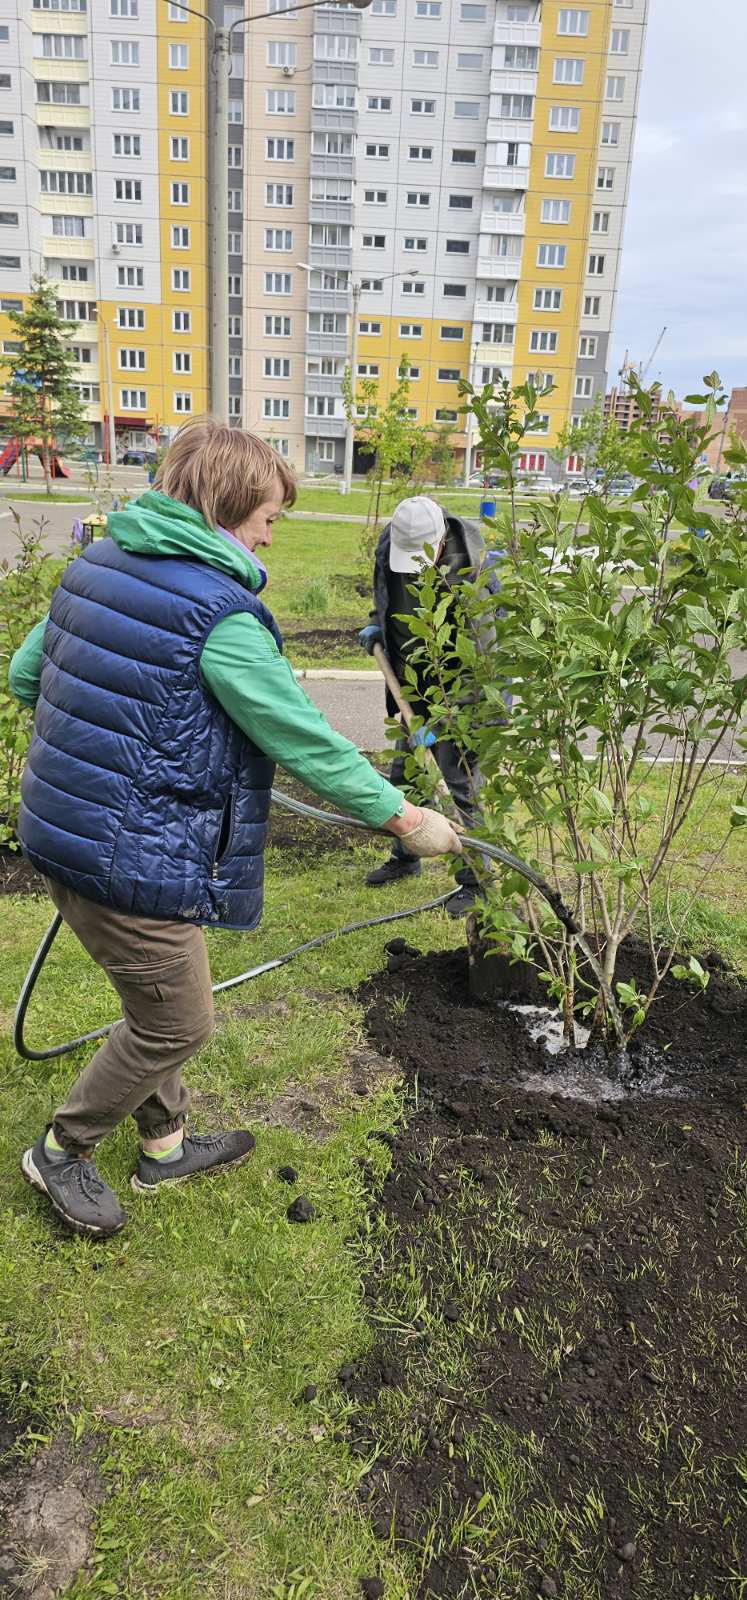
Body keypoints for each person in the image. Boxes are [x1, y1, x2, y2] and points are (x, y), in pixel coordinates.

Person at [9, 419, 462, 1240]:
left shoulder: (96, 563)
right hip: (127, 853)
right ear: (222, 507)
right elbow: (305, 740)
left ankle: (165, 1145)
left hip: (63, 828)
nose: (271, 530)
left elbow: (24, 678)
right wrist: (405, 818)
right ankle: (61, 1149)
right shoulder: (219, 618)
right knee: (177, 1022)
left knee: (154, 999)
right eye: (266, 515)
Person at [359, 494, 492, 918]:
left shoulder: (474, 569)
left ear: (439, 539)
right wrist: (378, 623)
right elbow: (391, 596)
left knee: (463, 787)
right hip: (412, 682)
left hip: (462, 694)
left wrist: (449, 719)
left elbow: (484, 659)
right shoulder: (392, 540)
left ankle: (478, 884)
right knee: (406, 778)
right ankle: (406, 854)